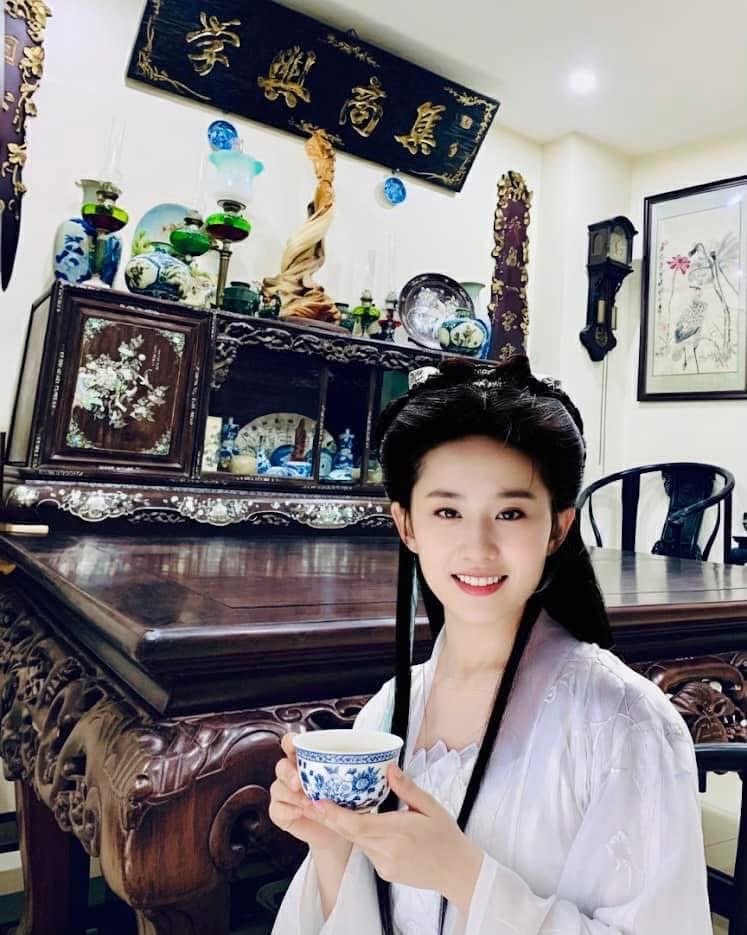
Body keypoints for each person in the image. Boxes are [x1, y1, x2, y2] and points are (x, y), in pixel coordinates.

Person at [269, 355, 711, 935]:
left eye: (510, 512)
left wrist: (465, 877)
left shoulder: (623, 723)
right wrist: (330, 843)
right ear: (407, 525)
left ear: (557, 528)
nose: (477, 547)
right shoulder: (388, 710)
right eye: (447, 511)